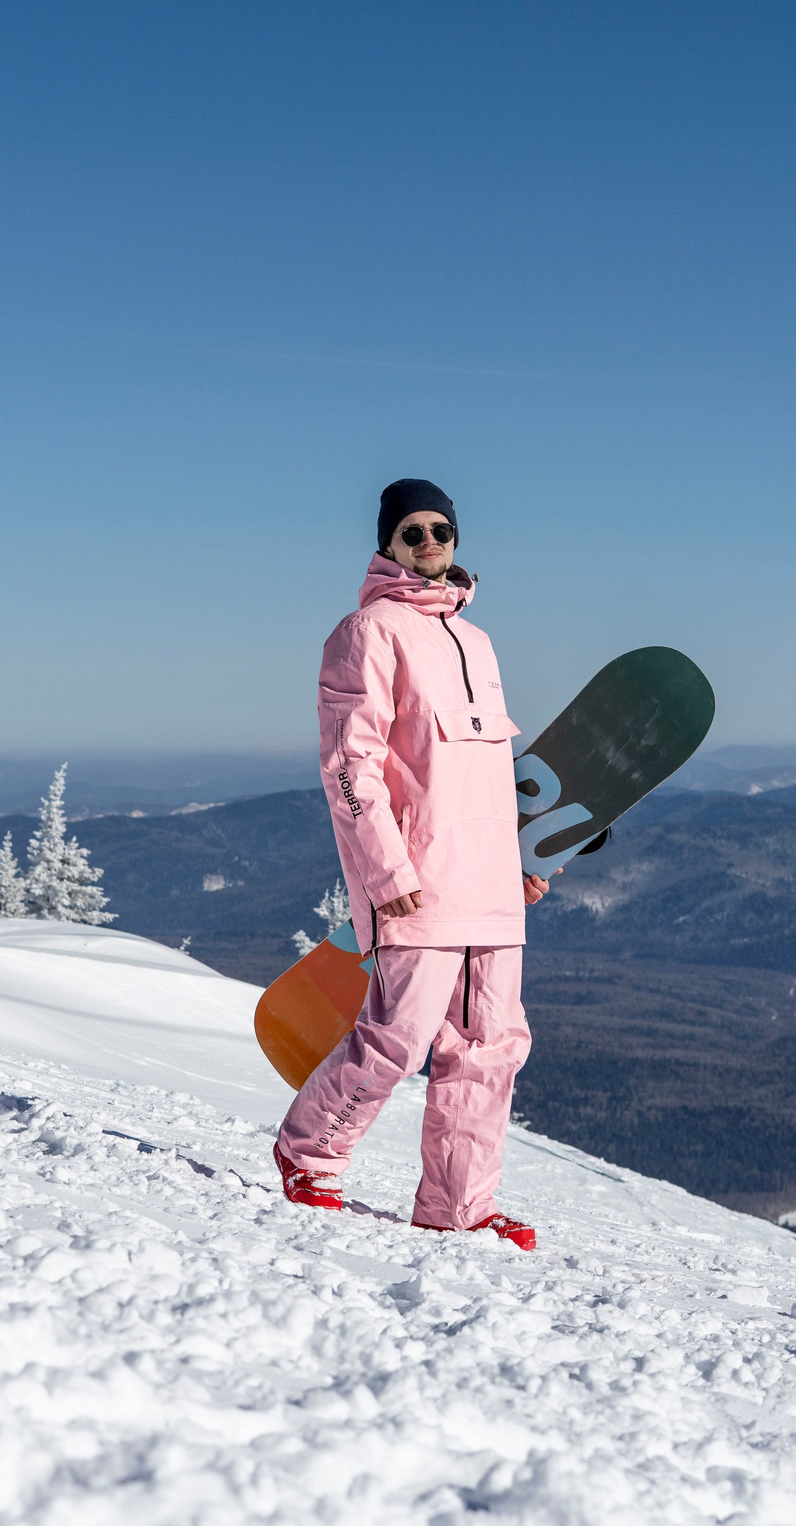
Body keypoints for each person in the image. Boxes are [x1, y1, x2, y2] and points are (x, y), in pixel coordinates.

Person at [273, 478, 545, 1250]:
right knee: (398, 1034)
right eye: (412, 531)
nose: (429, 543)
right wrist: (385, 871)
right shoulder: (367, 632)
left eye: (441, 531)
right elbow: (348, 767)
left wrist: (515, 862)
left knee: (490, 1047)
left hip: (489, 886)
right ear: (388, 542)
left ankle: (459, 1204)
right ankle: (309, 1152)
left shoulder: (478, 643)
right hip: (419, 882)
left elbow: (481, 776)